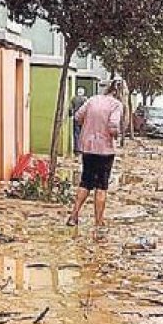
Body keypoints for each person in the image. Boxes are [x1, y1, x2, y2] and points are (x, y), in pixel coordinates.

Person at [67, 80, 125, 228]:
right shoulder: (116, 105)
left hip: (87, 147)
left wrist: (88, 127)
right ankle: (98, 222)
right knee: (101, 186)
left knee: (85, 181)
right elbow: (113, 126)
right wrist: (116, 134)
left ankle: (74, 216)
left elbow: (78, 117)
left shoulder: (92, 100)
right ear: (120, 92)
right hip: (105, 150)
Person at [69, 87, 88, 155]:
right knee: (83, 133)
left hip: (76, 118)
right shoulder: (85, 99)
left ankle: (77, 149)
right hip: (83, 119)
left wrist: (71, 115)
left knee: (76, 134)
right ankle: (83, 148)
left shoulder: (74, 99)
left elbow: (70, 108)